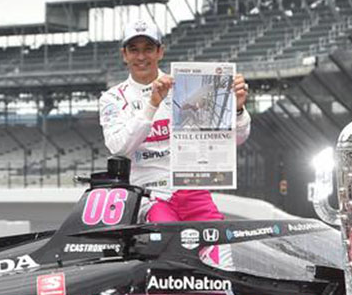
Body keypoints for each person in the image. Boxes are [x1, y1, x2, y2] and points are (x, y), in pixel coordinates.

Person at [98, 19, 251, 224]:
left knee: (217, 242)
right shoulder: (112, 98)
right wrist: (152, 105)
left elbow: (234, 140)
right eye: (134, 50)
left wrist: (237, 110)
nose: (141, 56)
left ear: (160, 52)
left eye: (148, 49)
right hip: (149, 195)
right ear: (124, 54)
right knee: (168, 237)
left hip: (191, 188)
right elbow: (118, 148)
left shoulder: (188, 86)